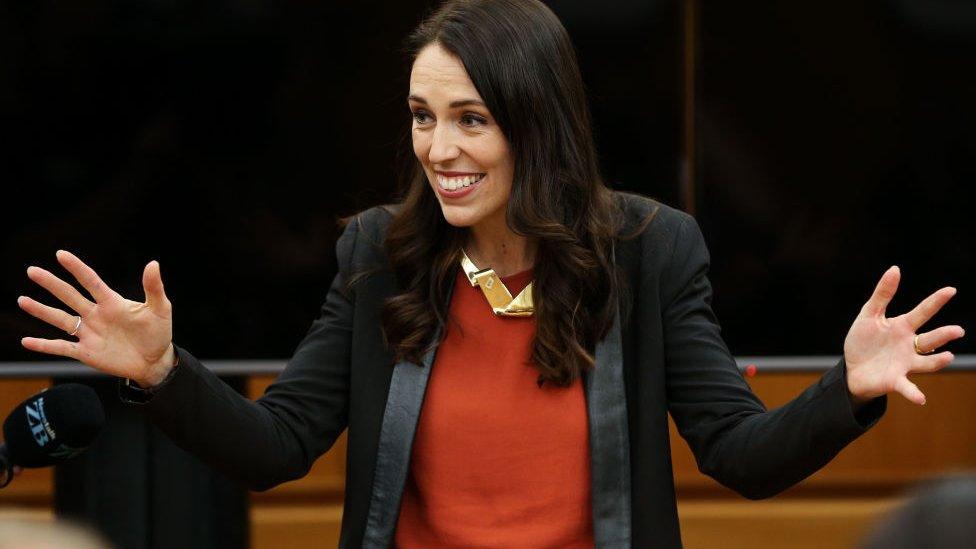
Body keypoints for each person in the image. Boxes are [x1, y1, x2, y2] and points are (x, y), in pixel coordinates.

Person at [16, 0, 965, 547]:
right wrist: (162, 375)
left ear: (534, 121)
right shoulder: (376, 252)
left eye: (470, 117)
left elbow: (738, 454)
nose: (439, 147)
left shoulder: (650, 249)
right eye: (424, 117)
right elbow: (278, 448)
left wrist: (848, 391)